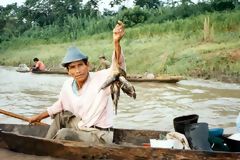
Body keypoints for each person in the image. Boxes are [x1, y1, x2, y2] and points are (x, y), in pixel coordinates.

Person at [28, 21, 126, 144]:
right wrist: (37, 117)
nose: (78, 70)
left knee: (64, 134)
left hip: (99, 135)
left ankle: (50, 146)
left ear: (88, 65)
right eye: (73, 67)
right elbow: (59, 105)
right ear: (68, 71)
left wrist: (116, 42)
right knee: (61, 116)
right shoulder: (68, 85)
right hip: (82, 126)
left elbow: (117, 66)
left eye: (80, 65)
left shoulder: (101, 78)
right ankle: (47, 143)